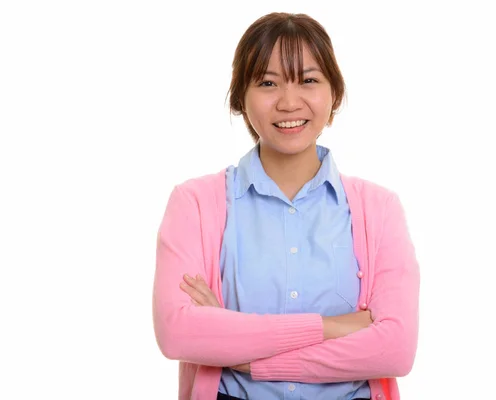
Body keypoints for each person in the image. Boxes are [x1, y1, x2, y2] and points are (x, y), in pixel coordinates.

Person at [152, 12, 419, 400]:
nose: (289, 102)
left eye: (309, 80)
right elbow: (178, 334)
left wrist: (240, 349)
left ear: (335, 95)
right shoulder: (193, 204)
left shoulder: (380, 209)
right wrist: (336, 327)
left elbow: (396, 349)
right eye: (268, 83)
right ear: (241, 99)